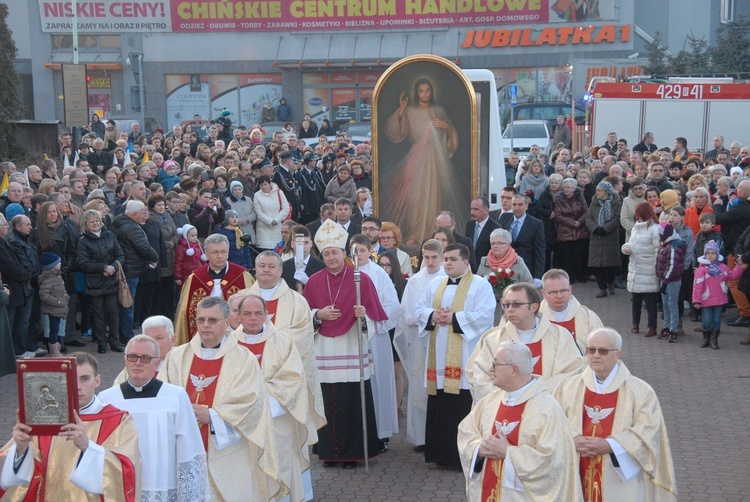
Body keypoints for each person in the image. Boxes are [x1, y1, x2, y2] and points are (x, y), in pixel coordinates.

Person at [160, 297, 282, 501]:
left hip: (229, 452)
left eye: (213, 320)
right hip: (184, 447)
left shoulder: (244, 359)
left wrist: (213, 416)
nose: (206, 325)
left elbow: (253, 405)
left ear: (227, 322)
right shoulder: (176, 357)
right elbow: (163, 397)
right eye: (201, 320)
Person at [301, 219, 388, 468]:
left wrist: (364, 316)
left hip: (352, 346)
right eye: (326, 253)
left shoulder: (361, 279)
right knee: (327, 400)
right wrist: (318, 314)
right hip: (325, 351)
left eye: (334, 253)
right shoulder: (315, 281)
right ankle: (329, 453)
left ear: (344, 254)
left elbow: (377, 316)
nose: (330, 257)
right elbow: (302, 315)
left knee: (352, 400)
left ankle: (352, 454)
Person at [553, 328, 677, 501]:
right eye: (591, 350)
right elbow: (553, 425)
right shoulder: (568, 388)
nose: (596, 355)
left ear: (618, 354)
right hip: (575, 472)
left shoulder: (641, 391)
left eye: (603, 351)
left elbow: (649, 433)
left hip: (620, 482)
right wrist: (573, 439)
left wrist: (611, 445)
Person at [0, 352, 141, 500]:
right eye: (71, 378)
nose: (78, 386)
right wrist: (21, 449)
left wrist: (87, 447)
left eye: (85, 379)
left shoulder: (118, 420)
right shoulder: (41, 417)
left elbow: (126, 471)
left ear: (97, 380)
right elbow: (11, 475)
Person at [457, 342, 582, 501]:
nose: (491, 369)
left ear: (513, 369)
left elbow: (554, 463)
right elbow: (466, 432)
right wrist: (480, 448)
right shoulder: (489, 402)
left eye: (496, 364)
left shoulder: (547, 410)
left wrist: (508, 453)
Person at [99, 334, 210, 501]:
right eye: (132, 357)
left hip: (164, 485)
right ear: (125, 360)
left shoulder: (175, 397)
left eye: (145, 358)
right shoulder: (107, 399)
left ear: (157, 363)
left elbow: (189, 446)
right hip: (121, 485)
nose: (137, 362)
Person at [414, 243, 495, 469]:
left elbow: (485, 315)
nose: (447, 263)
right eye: (445, 259)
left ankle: (463, 456)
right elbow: (419, 310)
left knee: (461, 407)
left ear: (466, 262)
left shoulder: (480, 285)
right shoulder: (435, 284)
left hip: (465, 360)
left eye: (452, 259)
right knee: (440, 405)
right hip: (439, 360)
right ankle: (440, 454)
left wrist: (454, 319)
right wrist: (433, 315)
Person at [243, 251, 327, 447]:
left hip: (284, 381)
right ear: (255, 270)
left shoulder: (297, 301)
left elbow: (303, 338)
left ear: (281, 271)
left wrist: (265, 339)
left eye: (272, 266)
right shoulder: (241, 300)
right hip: (248, 378)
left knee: (287, 445)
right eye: (262, 266)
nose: (266, 269)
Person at [233, 295, 311, 502]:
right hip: (239, 425)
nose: (253, 318)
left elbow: (293, 380)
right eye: (247, 314)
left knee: (279, 469)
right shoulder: (229, 345)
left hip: (276, 420)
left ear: (267, 316)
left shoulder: (283, 342)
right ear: (238, 316)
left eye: (258, 313)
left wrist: (259, 403)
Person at [468, 283, 583, 402]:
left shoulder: (560, 336)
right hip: (504, 410)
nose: (510, 309)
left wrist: (532, 395)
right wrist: (510, 398)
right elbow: (478, 376)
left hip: (546, 409)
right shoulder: (493, 339)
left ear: (533, 307)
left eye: (516, 304)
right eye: (506, 305)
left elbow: (571, 372)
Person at [383, 77, 464, 243]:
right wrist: (401, 109)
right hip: (417, 158)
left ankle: (432, 233)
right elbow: (395, 132)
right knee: (416, 196)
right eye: (421, 91)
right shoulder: (410, 111)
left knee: (435, 194)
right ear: (416, 93)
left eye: (427, 90)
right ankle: (415, 233)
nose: (425, 94)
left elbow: (451, 133)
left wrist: (445, 126)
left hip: (436, 158)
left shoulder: (439, 110)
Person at [394, 239, 446, 452]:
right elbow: (406, 312)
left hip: (442, 340)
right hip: (419, 340)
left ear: (442, 257)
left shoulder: (447, 279)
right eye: (427, 257)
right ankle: (421, 437)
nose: (431, 261)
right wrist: (415, 318)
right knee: (419, 385)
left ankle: (440, 435)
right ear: (422, 257)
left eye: (435, 257)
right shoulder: (415, 281)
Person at [351, 234, 401, 453]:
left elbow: (393, 306)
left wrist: (370, 320)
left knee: (379, 382)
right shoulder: (346, 274)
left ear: (370, 251)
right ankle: (361, 431)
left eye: (362, 250)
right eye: (354, 251)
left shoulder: (379, 274)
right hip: (352, 337)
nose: (358, 255)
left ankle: (381, 433)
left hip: (375, 337)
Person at [174, 233, 254, 344]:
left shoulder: (243, 277)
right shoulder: (194, 279)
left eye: (223, 252)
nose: (220, 256)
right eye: (215, 252)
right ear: (206, 254)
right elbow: (183, 314)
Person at [693, 241, 746, 349]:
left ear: (717, 254)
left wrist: (739, 267)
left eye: (713, 253)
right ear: (705, 255)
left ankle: (714, 339)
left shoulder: (722, 267)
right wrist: (696, 300)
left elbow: (731, 276)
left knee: (717, 320)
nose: (711, 255)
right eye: (708, 253)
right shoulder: (702, 270)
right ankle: (706, 338)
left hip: (719, 299)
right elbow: (697, 286)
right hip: (706, 300)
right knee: (706, 320)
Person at [476, 228, 533, 324]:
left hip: (513, 307)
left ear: (507, 245)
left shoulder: (518, 261)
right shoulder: (484, 261)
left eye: (499, 243)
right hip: (489, 307)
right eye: (493, 243)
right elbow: (477, 284)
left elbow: (529, 283)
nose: (495, 246)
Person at [622, 203, 662, 338]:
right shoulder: (635, 228)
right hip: (635, 267)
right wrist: (626, 248)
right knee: (636, 300)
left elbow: (658, 250)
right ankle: (635, 323)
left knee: (650, 301)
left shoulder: (654, 229)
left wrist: (657, 267)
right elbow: (631, 242)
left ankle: (652, 327)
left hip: (648, 269)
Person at [539, 269, 602, 353]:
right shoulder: (534, 319)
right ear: (544, 293)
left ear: (570, 290)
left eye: (563, 290)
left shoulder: (588, 317)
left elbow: (602, 349)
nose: (559, 296)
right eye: (553, 292)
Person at [586, 181, 623, 297]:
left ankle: (610, 283)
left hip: (610, 237)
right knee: (598, 266)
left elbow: (617, 218)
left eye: (599, 191)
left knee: (610, 265)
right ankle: (602, 288)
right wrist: (595, 228)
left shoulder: (616, 203)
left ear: (606, 192)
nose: (597, 193)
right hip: (596, 237)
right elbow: (588, 218)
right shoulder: (594, 203)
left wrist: (605, 228)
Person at [501, 195, 546, 282]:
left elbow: (540, 250)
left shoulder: (536, 224)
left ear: (526, 206)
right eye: (514, 204)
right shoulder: (504, 219)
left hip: (526, 268)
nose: (517, 208)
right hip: (506, 267)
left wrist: (538, 276)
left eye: (520, 205)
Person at [555, 177, 590, 283]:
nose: (566, 189)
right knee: (567, 256)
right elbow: (558, 215)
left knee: (579, 255)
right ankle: (570, 277)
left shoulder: (580, 198)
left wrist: (579, 222)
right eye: (564, 187)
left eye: (569, 187)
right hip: (565, 231)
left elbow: (586, 211)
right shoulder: (559, 199)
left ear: (574, 188)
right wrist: (572, 222)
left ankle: (580, 275)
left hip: (580, 230)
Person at [656, 223, 686, 342]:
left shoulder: (673, 247)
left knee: (672, 304)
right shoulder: (665, 244)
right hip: (664, 279)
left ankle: (674, 329)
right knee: (665, 305)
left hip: (672, 281)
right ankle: (667, 326)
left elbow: (672, 266)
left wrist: (665, 281)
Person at [37, 252, 69, 357]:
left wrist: (66, 298)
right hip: (53, 308)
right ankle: (54, 350)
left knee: (56, 328)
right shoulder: (48, 279)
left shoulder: (57, 276)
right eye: (58, 262)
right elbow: (44, 294)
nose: (60, 263)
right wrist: (57, 302)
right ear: (51, 265)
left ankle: (56, 349)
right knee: (54, 329)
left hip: (58, 308)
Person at [281, 225, 325, 292]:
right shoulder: (284, 266)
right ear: (292, 244)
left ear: (311, 244)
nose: (303, 247)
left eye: (306, 243)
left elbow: (323, 291)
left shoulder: (322, 267)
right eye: (299, 243)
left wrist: (308, 282)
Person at [254, 175, 290, 251]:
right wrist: (270, 221)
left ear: (269, 183)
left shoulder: (279, 192)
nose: (264, 187)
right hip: (263, 229)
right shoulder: (257, 195)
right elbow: (259, 213)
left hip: (278, 227)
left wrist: (276, 220)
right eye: (261, 185)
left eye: (265, 184)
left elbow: (286, 208)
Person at [465, 197, 501, 269]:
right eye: (471, 209)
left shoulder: (495, 228)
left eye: (476, 209)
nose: (472, 212)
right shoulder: (469, 225)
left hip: (486, 268)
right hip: (469, 268)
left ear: (486, 210)